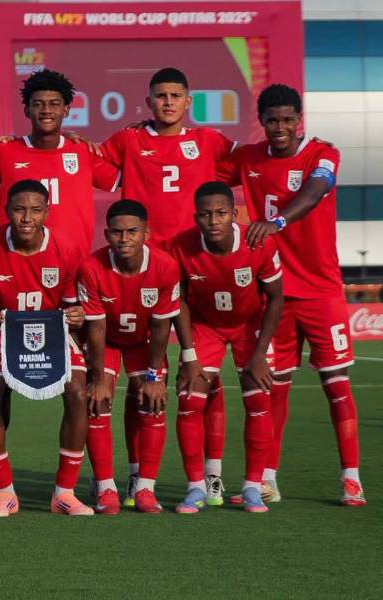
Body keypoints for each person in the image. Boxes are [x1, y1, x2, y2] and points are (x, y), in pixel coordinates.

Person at [218, 84, 366, 506]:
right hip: (274, 295)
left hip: (321, 292)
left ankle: (351, 478)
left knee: (336, 383)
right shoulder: (247, 159)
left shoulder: (323, 154)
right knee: (274, 386)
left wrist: (278, 222)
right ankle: (266, 478)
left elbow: (316, 192)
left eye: (287, 120)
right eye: (271, 120)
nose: (279, 128)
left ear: (299, 120)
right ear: (261, 122)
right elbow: (196, 169)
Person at [99, 67, 237, 504]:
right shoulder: (127, 140)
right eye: (160, 95)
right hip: (147, 271)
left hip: (197, 263)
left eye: (176, 94)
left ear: (187, 100)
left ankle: (211, 476)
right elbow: (91, 165)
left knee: (205, 375)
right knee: (140, 375)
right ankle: (135, 474)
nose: (168, 102)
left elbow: (247, 167)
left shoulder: (210, 142)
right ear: (149, 100)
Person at [0, 179, 93, 517]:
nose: (27, 218)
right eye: (19, 210)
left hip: (51, 331)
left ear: (47, 212)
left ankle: (64, 493)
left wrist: (77, 315)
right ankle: (4, 492)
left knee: (78, 392)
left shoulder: (66, 248)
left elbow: (73, 307)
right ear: (7, 211)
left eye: (35, 210)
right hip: (5, 332)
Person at [169, 181, 283, 513]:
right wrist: (188, 355)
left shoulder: (258, 243)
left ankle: (251, 486)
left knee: (259, 397)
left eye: (221, 213)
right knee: (190, 398)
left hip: (250, 328)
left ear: (234, 214)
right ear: (196, 218)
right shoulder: (182, 247)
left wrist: (260, 355)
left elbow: (275, 298)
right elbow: (180, 302)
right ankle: (195, 488)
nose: (213, 221)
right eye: (205, 215)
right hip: (206, 328)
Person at [0, 68, 119, 265]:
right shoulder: (5, 151)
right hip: (14, 263)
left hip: (71, 265)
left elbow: (133, 176)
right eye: (38, 104)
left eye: (54, 104)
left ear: (66, 110)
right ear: (27, 110)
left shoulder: (82, 151)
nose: (46, 110)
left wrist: (152, 130)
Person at [81, 200, 180, 514]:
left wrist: (154, 377)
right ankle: (105, 487)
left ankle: (145, 489)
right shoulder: (91, 267)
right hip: (105, 342)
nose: (124, 239)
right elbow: (95, 328)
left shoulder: (165, 266)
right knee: (96, 403)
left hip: (143, 343)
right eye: (117, 232)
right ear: (107, 234)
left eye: (132, 232)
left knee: (153, 403)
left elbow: (162, 325)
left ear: (146, 233)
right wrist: (97, 380)